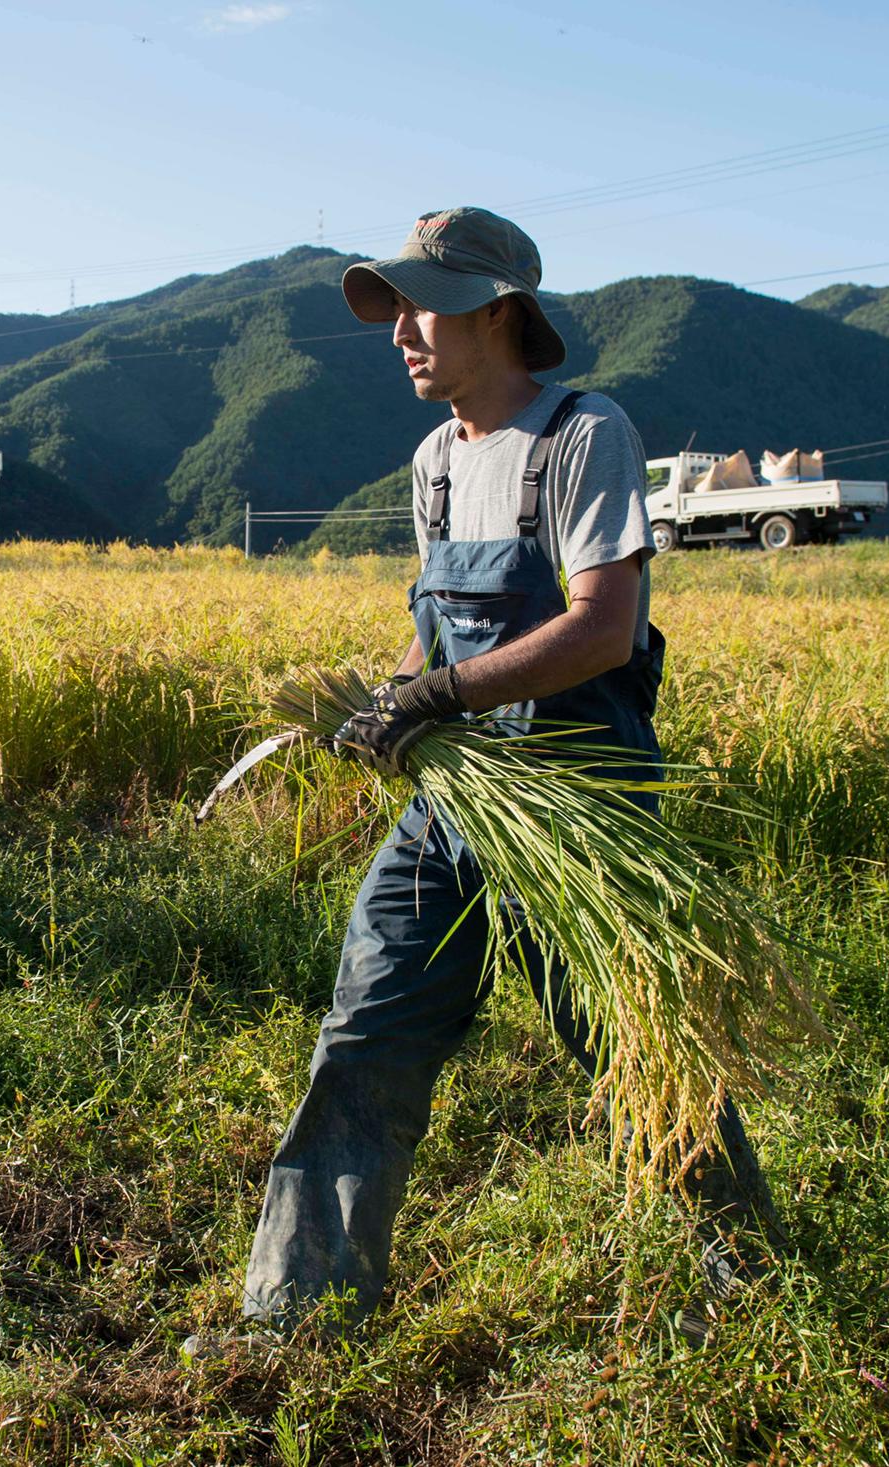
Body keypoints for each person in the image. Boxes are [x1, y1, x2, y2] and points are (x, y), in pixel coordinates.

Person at [230, 207, 783, 1341]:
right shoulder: (435, 460)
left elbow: (603, 630)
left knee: (629, 1041)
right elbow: (433, 637)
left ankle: (752, 1285)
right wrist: (389, 705)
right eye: (392, 311)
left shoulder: (582, 436)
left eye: (419, 306)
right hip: (455, 805)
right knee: (367, 1027)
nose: (399, 335)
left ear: (497, 311)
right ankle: (298, 1312)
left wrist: (436, 697)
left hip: (575, 802)